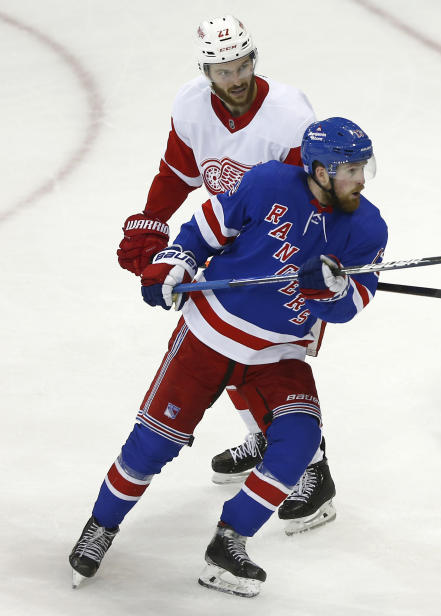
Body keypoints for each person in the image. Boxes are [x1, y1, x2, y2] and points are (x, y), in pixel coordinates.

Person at [70, 118, 387, 597]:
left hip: (278, 353)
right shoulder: (266, 183)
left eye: (364, 167)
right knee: (152, 447)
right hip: (209, 336)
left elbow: (352, 305)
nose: (361, 179)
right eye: (351, 169)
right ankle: (101, 526)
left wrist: (332, 291)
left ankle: (228, 543)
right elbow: (202, 232)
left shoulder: (367, 227)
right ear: (319, 171)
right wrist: (174, 264)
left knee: (299, 442)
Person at [115, 15, 337, 528]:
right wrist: (153, 226)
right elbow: (177, 172)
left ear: (253, 61)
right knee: (220, 350)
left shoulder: (287, 114)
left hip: (282, 257)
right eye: (222, 71)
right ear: (205, 72)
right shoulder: (191, 106)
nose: (234, 79)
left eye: (241, 66)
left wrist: (306, 261)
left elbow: (319, 195)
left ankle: (314, 471)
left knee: (272, 360)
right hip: (228, 253)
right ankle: (266, 439)